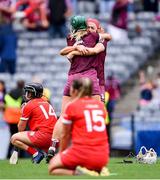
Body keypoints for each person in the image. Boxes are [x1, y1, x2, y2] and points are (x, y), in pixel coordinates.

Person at [47, 16, 111, 161]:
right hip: (92, 78)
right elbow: (101, 43)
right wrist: (78, 49)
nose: (90, 29)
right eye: (88, 27)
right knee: (97, 113)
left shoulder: (70, 37)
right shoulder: (95, 36)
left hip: (73, 78)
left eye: (92, 27)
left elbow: (66, 53)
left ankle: (53, 146)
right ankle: (97, 148)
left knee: (64, 116)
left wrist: (74, 50)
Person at [48, 78, 109, 176]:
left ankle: (82, 173)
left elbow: (65, 135)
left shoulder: (72, 106)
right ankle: (97, 169)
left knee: (52, 167)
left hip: (82, 153)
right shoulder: (100, 106)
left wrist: (62, 153)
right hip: (103, 156)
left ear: (75, 90)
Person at [11, 82, 57, 163]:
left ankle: (36, 154)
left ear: (34, 93)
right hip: (53, 139)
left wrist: (23, 112)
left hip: (42, 137)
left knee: (14, 138)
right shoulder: (47, 103)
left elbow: (21, 128)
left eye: (28, 92)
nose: (26, 94)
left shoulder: (29, 104)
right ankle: (51, 155)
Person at [4, 80, 25, 158]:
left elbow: (4, 104)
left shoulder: (9, 93)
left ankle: (8, 155)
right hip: (20, 119)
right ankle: (21, 156)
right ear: (23, 85)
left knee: (12, 137)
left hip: (10, 119)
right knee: (22, 138)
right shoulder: (24, 94)